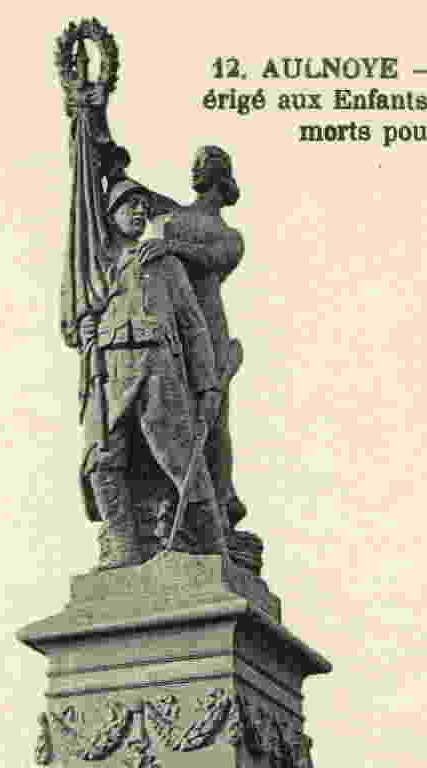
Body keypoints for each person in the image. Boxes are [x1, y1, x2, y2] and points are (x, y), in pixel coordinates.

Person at [76, 179, 224, 568]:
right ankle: (124, 545)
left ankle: (212, 545)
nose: (139, 212)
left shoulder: (164, 264)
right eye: (129, 206)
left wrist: (208, 386)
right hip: (109, 374)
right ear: (110, 217)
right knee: (102, 458)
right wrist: (86, 331)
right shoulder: (95, 271)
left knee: (180, 455)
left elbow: (193, 326)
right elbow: (82, 318)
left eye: (143, 205)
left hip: (159, 369)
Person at [139, 146, 247, 528]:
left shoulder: (230, 235)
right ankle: (174, 499)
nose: (195, 170)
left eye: (206, 165)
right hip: (170, 323)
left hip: (210, 329)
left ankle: (221, 500)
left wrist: (170, 245)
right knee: (171, 410)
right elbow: (127, 189)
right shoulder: (172, 212)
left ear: (221, 178)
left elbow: (216, 259)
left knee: (212, 418)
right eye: (196, 163)